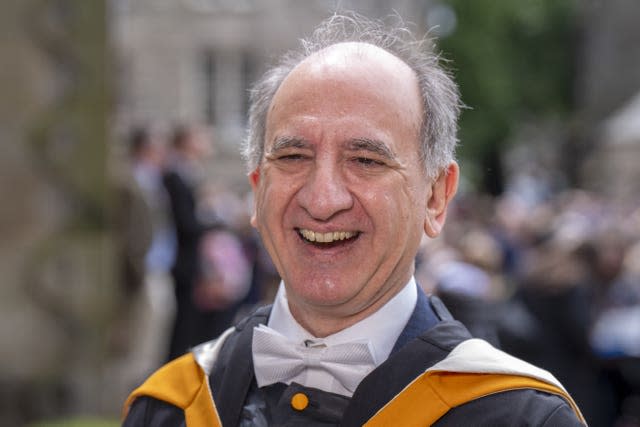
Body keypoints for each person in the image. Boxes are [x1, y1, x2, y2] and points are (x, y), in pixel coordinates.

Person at [122, 12, 586, 426]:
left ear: (436, 198)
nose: (323, 200)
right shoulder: (171, 406)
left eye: (366, 160)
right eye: (294, 155)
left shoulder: (519, 416)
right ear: (257, 191)